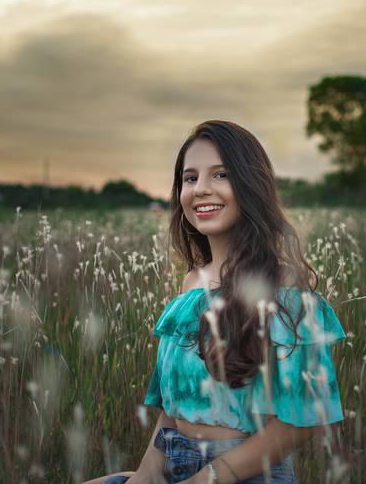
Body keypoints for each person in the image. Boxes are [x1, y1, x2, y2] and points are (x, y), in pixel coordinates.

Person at [84, 120, 346, 483]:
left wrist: (206, 478)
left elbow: (303, 420)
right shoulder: (191, 285)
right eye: (190, 179)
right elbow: (173, 412)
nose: (201, 189)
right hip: (175, 463)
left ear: (251, 186)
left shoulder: (284, 287)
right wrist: (145, 477)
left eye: (220, 175)